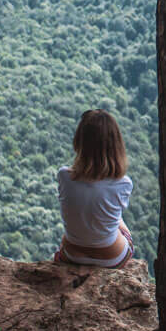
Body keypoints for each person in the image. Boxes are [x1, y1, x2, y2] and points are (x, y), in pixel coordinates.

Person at [53, 109, 136, 268]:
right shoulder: (124, 184)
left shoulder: (64, 176)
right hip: (112, 258)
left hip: (72, 256)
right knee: (117, 219)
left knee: (75, 226)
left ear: (79, 141)